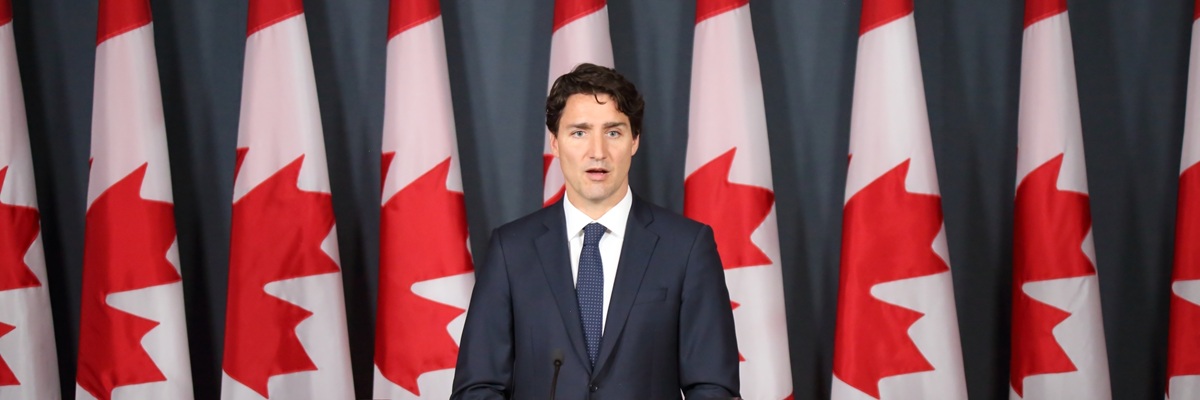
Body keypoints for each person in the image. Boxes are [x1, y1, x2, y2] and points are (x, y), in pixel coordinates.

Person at [451, 63, 740, 399]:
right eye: (579, 132)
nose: (597, 152)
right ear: (555, 143)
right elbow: (478, 387)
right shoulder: (511, 249)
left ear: (634, 141)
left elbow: (713, 386)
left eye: (613, 132)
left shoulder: (687, 247)